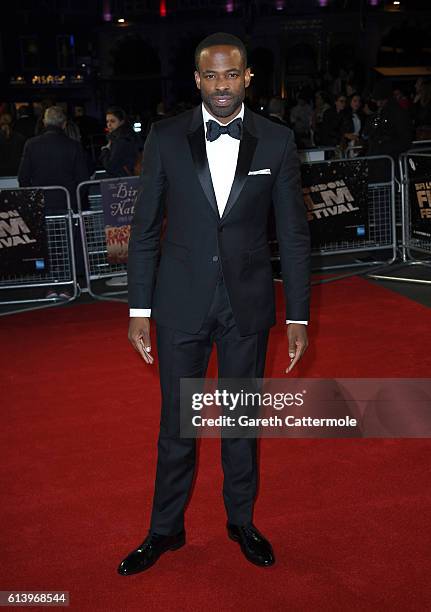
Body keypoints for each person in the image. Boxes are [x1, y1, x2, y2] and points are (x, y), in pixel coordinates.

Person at [119, 32, 311, 576]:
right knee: (176, 425)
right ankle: (165, 530)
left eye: (232, 75)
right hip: (179, 305)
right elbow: (145, 231)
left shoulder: (276, 141)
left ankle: (241, 521)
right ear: (197, 79)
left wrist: (297, 315)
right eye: (211, 76)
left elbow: (294, 236)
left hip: (247, 308)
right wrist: (138, 309)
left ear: (248, 77)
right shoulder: (164, 137)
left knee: (241, 423)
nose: (221, 86)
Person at [17, 105, 90, 298]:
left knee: (48, 248)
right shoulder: (73, 146)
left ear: (44, 122)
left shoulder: (31, 145)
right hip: (67, 204)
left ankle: (50, 287)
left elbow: (23, 178)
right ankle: (68, 287)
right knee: (68, 247)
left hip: (42, 204)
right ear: (64, 124)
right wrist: (77, 201)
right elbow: (83, 178)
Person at [99, 107, 141, 178]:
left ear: (121, 122)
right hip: (129, 178)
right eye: (107, 121)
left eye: (112, 121)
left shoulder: (121, 140)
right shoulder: (127, 136)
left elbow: (110, 166)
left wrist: (105, 150)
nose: (109, 124)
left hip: (124, 180)